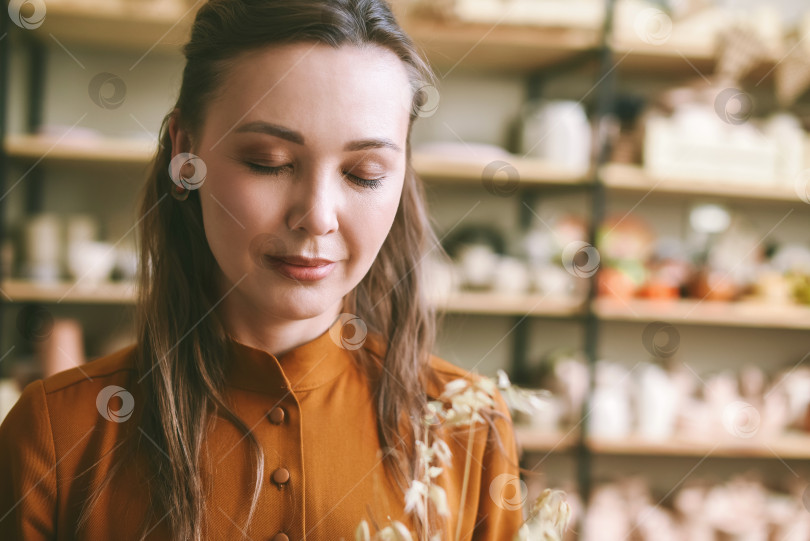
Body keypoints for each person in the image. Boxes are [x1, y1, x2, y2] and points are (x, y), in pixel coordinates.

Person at [0, 0, 525, 539]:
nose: (317, 217)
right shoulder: (55, 434)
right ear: (185, 153)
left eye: (364, 173)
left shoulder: (468, 428)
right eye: (268, 163)